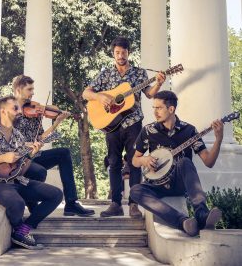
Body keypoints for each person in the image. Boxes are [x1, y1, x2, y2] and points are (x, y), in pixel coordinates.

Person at [82, 36, 166, 217]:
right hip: (112, 125)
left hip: (133, 123)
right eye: (117, 53)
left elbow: (150, 94)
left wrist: (158, 82)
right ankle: (115, 204)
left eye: (124, 52)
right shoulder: (105, 74)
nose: (120, 56)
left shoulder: (139, 73)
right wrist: (100, 97)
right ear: (113, 53)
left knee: (134, 161)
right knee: (113, 162)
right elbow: (86, 92)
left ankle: (134, 204)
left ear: (129, 53)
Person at [0, 96, 63, 249]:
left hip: (17, 181)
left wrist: (29, 156)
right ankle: (20, 230)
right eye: (15, 108)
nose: (20, 111)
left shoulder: (18, 136)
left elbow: (20, 169)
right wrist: (2, 157)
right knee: (17, 203)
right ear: (3, 111)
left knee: (56, 194)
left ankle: (22, 230)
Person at [131, 90, 223, 236]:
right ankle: (183, 222)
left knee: (185, 161)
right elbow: (135, 160)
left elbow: (209, 161)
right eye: (153, 108)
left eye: (159, 108)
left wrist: (218, 140)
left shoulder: (189, 130)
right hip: (157, 184)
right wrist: (144, 160)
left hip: (179, 183)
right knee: (135, 191)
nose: (155, 112)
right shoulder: (148, 130)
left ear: (171, 109)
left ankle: (202, 215)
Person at [12, 75, 95, 217]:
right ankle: (31, 200)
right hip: (18, 159)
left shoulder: (34, 110)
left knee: (64, 153)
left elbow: (41, 137)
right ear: (19, 89)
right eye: (29, 89)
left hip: (34, 154)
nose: (33, 93)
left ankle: (71, 203)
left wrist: (57, 122)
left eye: (33, 89)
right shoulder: (8, 110)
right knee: (39, 172)